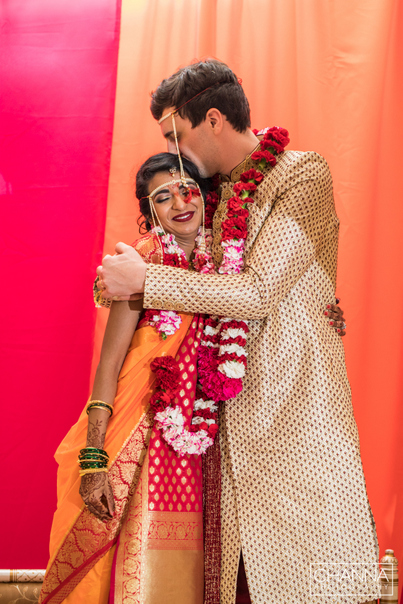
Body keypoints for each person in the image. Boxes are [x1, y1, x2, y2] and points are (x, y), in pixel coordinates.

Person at [96, 59, 379, 604]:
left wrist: (144, 280)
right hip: (227, 440)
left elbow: (256, 293)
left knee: (315, 587)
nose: (175, 155)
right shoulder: (214, 197)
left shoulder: (301, 174)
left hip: (299, 425)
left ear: (215, 120)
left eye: (177, 136)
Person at [39, 153, 216, 604]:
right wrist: (94, 458)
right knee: (131, 548)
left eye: (186, 188)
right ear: (149, 211)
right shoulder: (138, 266)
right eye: (162, 196)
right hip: (142, 437)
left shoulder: (234, 263)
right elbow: (110, 365)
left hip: (214, 438)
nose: (179, 202)